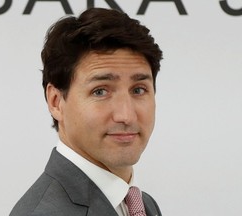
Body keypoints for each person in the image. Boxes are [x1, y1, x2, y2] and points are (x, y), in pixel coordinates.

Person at [10, 7, 163, 216]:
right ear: (56, 102)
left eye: (138, 90)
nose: (126, 115)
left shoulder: (142, 204)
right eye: (100, 91)